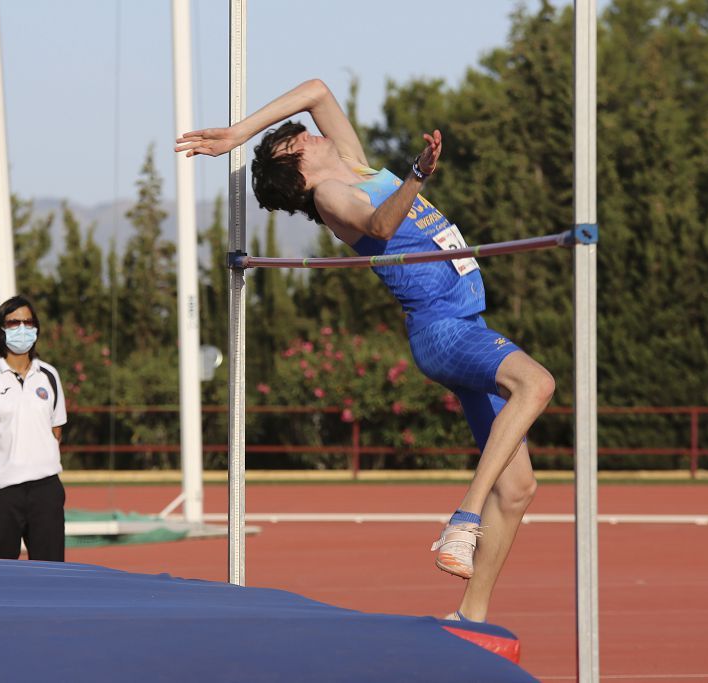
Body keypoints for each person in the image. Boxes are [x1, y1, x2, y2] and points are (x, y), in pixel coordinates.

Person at [176, 79, 555, 623]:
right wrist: (417, 176)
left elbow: (316, 91)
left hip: (466, 321)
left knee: (518, 488)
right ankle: (464, 517)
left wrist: (237, 133)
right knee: (536, 383)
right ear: (295, 168)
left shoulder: (355, 165)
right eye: (297, 140)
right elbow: (380, 224)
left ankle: (470, 615)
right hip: (443, 329)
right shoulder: (331, 196)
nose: (308, 133)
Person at [0, 295, 68, 561]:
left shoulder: (50, 376)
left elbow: (56, 431)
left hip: (46, 491)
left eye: (28, 322)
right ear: (0, 330)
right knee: (1, 578)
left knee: (51, 575)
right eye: (13, 323)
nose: (22, 328)